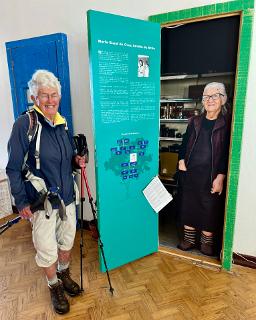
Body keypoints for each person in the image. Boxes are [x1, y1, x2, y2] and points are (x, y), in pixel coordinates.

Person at [6, 70, 86, 314]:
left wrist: (76, 161)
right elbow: (13, 167)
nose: (51, 100)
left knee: (66, 241)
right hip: (43, 202)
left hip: (67, 198)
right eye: (44, 95)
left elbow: (63, 161)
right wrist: (21, 202)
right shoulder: (25, 124)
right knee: (47, 248)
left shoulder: (61, 122)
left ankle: (64, 274)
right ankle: (54, 286)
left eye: (54, 95)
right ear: (34, 97)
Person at [177, 82, 231, 256]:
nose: (210, 100)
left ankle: (206, 241)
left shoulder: (227, 123)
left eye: (215, 95)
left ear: (223, 99)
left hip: (212, 174)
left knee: (210, 206)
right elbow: (184, 143)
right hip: (191, 172)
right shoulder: (195, 121)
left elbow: (225, 153)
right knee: (189, 204)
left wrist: (221, 176)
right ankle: (189, 239)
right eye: (206, 96)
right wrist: (181, 160)